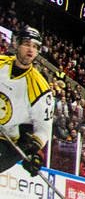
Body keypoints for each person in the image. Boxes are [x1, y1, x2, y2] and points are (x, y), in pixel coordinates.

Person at [0, 25, 51, 177]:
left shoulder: (40, 87)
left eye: (35, 47)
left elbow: (43, 129)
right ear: (16, 44)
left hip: (10, 142)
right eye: (27, 44)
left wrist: (34, 152)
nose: (31, 50)